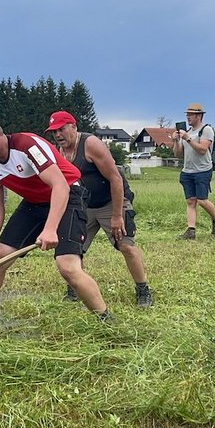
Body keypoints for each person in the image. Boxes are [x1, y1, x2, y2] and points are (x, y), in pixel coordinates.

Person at [0, 115, 110, 328]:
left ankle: (106, 321)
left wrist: (50, 229)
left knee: (67, 266)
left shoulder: (27, 146)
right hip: (35, 202)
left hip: (68, 194)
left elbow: (60, 186)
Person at [47, 111, 153, 307]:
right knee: (73, 249)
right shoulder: (57, 151)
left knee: (126, 245)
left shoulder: (91, 144)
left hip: (111, 201)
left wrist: (116, 216)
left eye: (61, 129)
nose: (58, 135)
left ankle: (143, 289)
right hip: (84, 205)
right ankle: (75, 288)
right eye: (54, 132)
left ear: (73, 127)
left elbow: (115, 179)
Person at [172, 102, 215, 239]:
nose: (188, 117)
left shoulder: (206, 130)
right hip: (187, 171)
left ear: (199, 116)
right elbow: (178, 154)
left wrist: (188, 139)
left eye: (190, 115)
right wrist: (176, 141)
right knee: (190, 201)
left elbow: (202, 149)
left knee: (202, 200)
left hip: (202, 170)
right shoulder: (187, 132)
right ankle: (191, 231)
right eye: (187, 115)